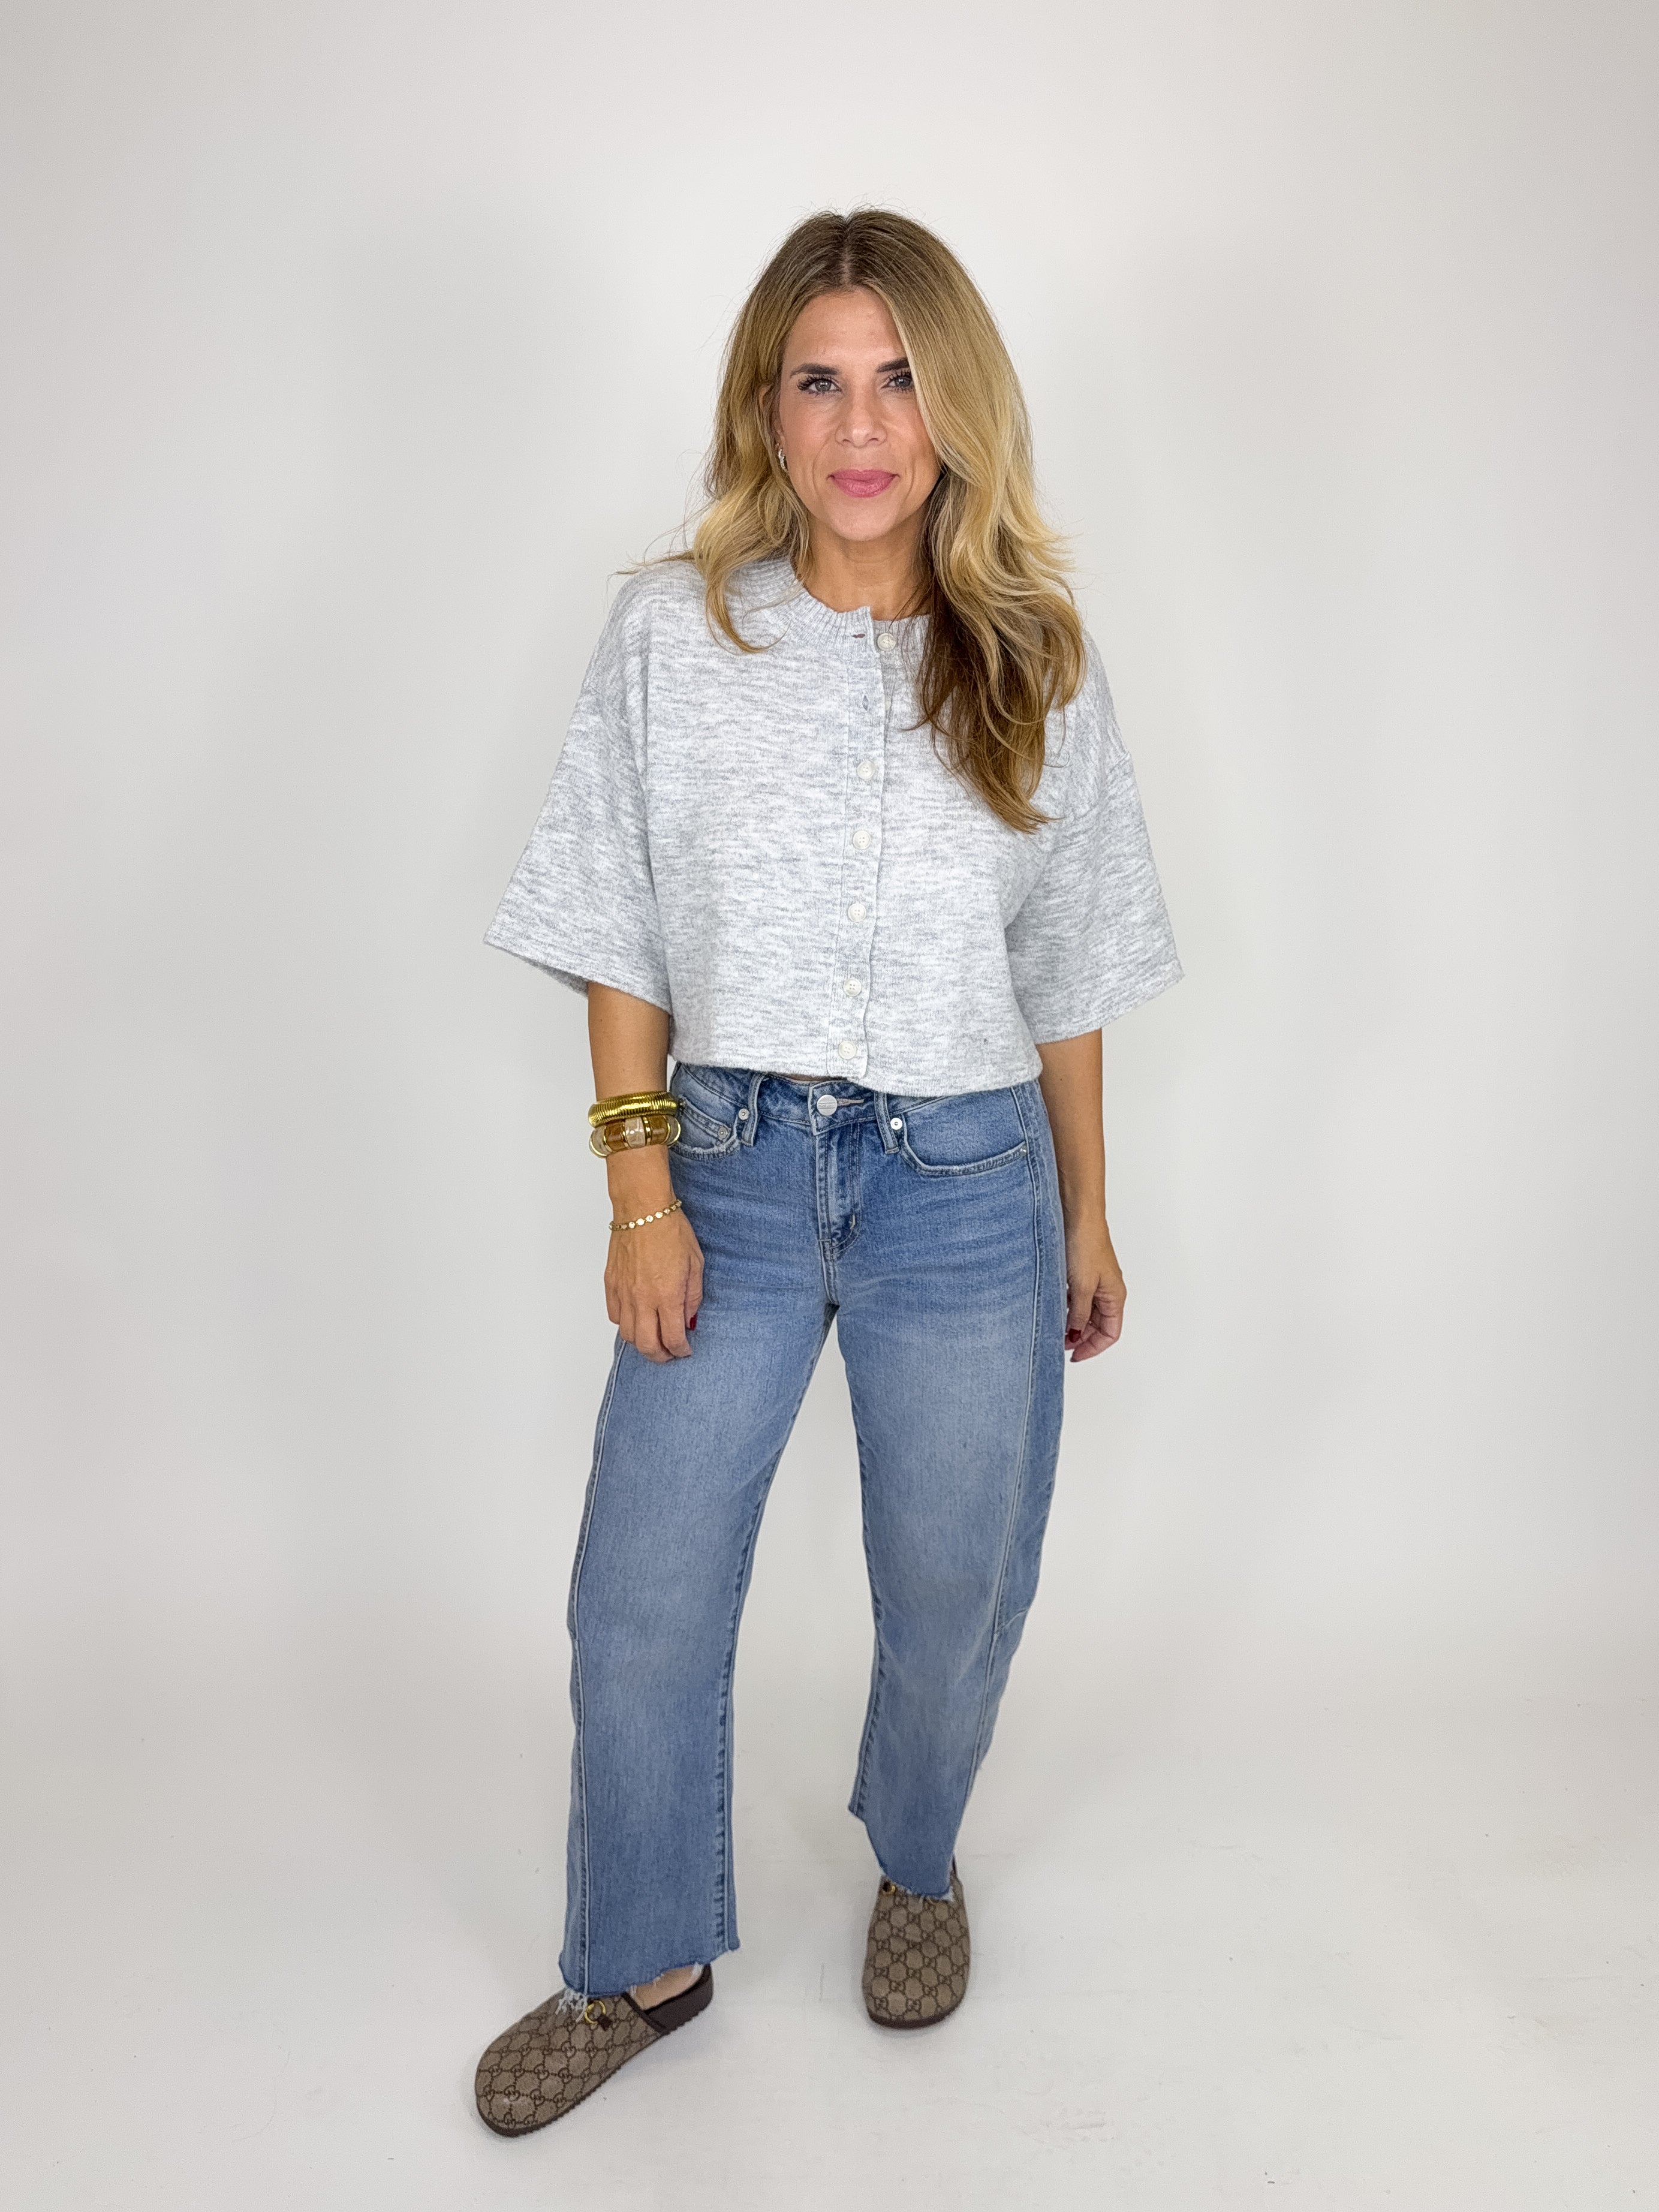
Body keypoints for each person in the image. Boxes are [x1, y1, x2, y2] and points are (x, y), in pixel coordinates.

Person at [472, 207, 1181, 2136]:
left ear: (957, 408)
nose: (862, 426)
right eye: (820, 381)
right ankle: (642, 1957)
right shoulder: (673, 634)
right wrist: (640, 1196)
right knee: (639, 1593)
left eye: (900, 381)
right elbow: (616, 930)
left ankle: (918, 1859)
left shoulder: (1035, 654)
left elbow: (1070, 967)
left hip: (970, 1181)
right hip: (733, 1172)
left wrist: (1087, 1208)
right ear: (765, 408)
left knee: (956, 1581)